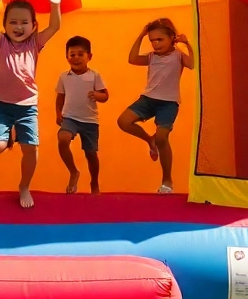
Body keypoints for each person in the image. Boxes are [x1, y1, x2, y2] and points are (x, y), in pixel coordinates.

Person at [0, 0, 63, 208]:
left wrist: (55, 5)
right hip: (0, 104)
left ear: (33, 26)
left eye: (24, 22)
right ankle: (10, 132)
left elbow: (54, 27)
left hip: (26, 105)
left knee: (31, 149)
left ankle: (24, 186)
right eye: (13, 22)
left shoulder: (35, 43)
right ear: (4, 25)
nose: (18, 26)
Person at [117, 18, 194, 194]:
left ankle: (167, 180)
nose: (155, 44)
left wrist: (187, 44)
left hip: (168, 103)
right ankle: (149, 140)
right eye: (152, 40)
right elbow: (132, 59)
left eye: (160, 40)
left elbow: (192, 64)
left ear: (172, 38)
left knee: (162, 137)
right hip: (148, 99)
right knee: (123, 122)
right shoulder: (151, 57)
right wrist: (141, 35)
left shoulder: (178, 55)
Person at [55, 35, 108, 194]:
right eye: (72, 55)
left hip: (90, 120)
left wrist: (97, 96)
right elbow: (60, 96)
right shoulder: (64, 76)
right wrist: (58, 113)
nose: (76, 58)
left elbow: (105, 95)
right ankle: (73, 172)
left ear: (89, 56)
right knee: (62, 139)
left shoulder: (94, 75)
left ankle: (95, 182)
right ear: (67, 57)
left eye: (80, 54)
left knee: (91, 154)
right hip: (70, 117)